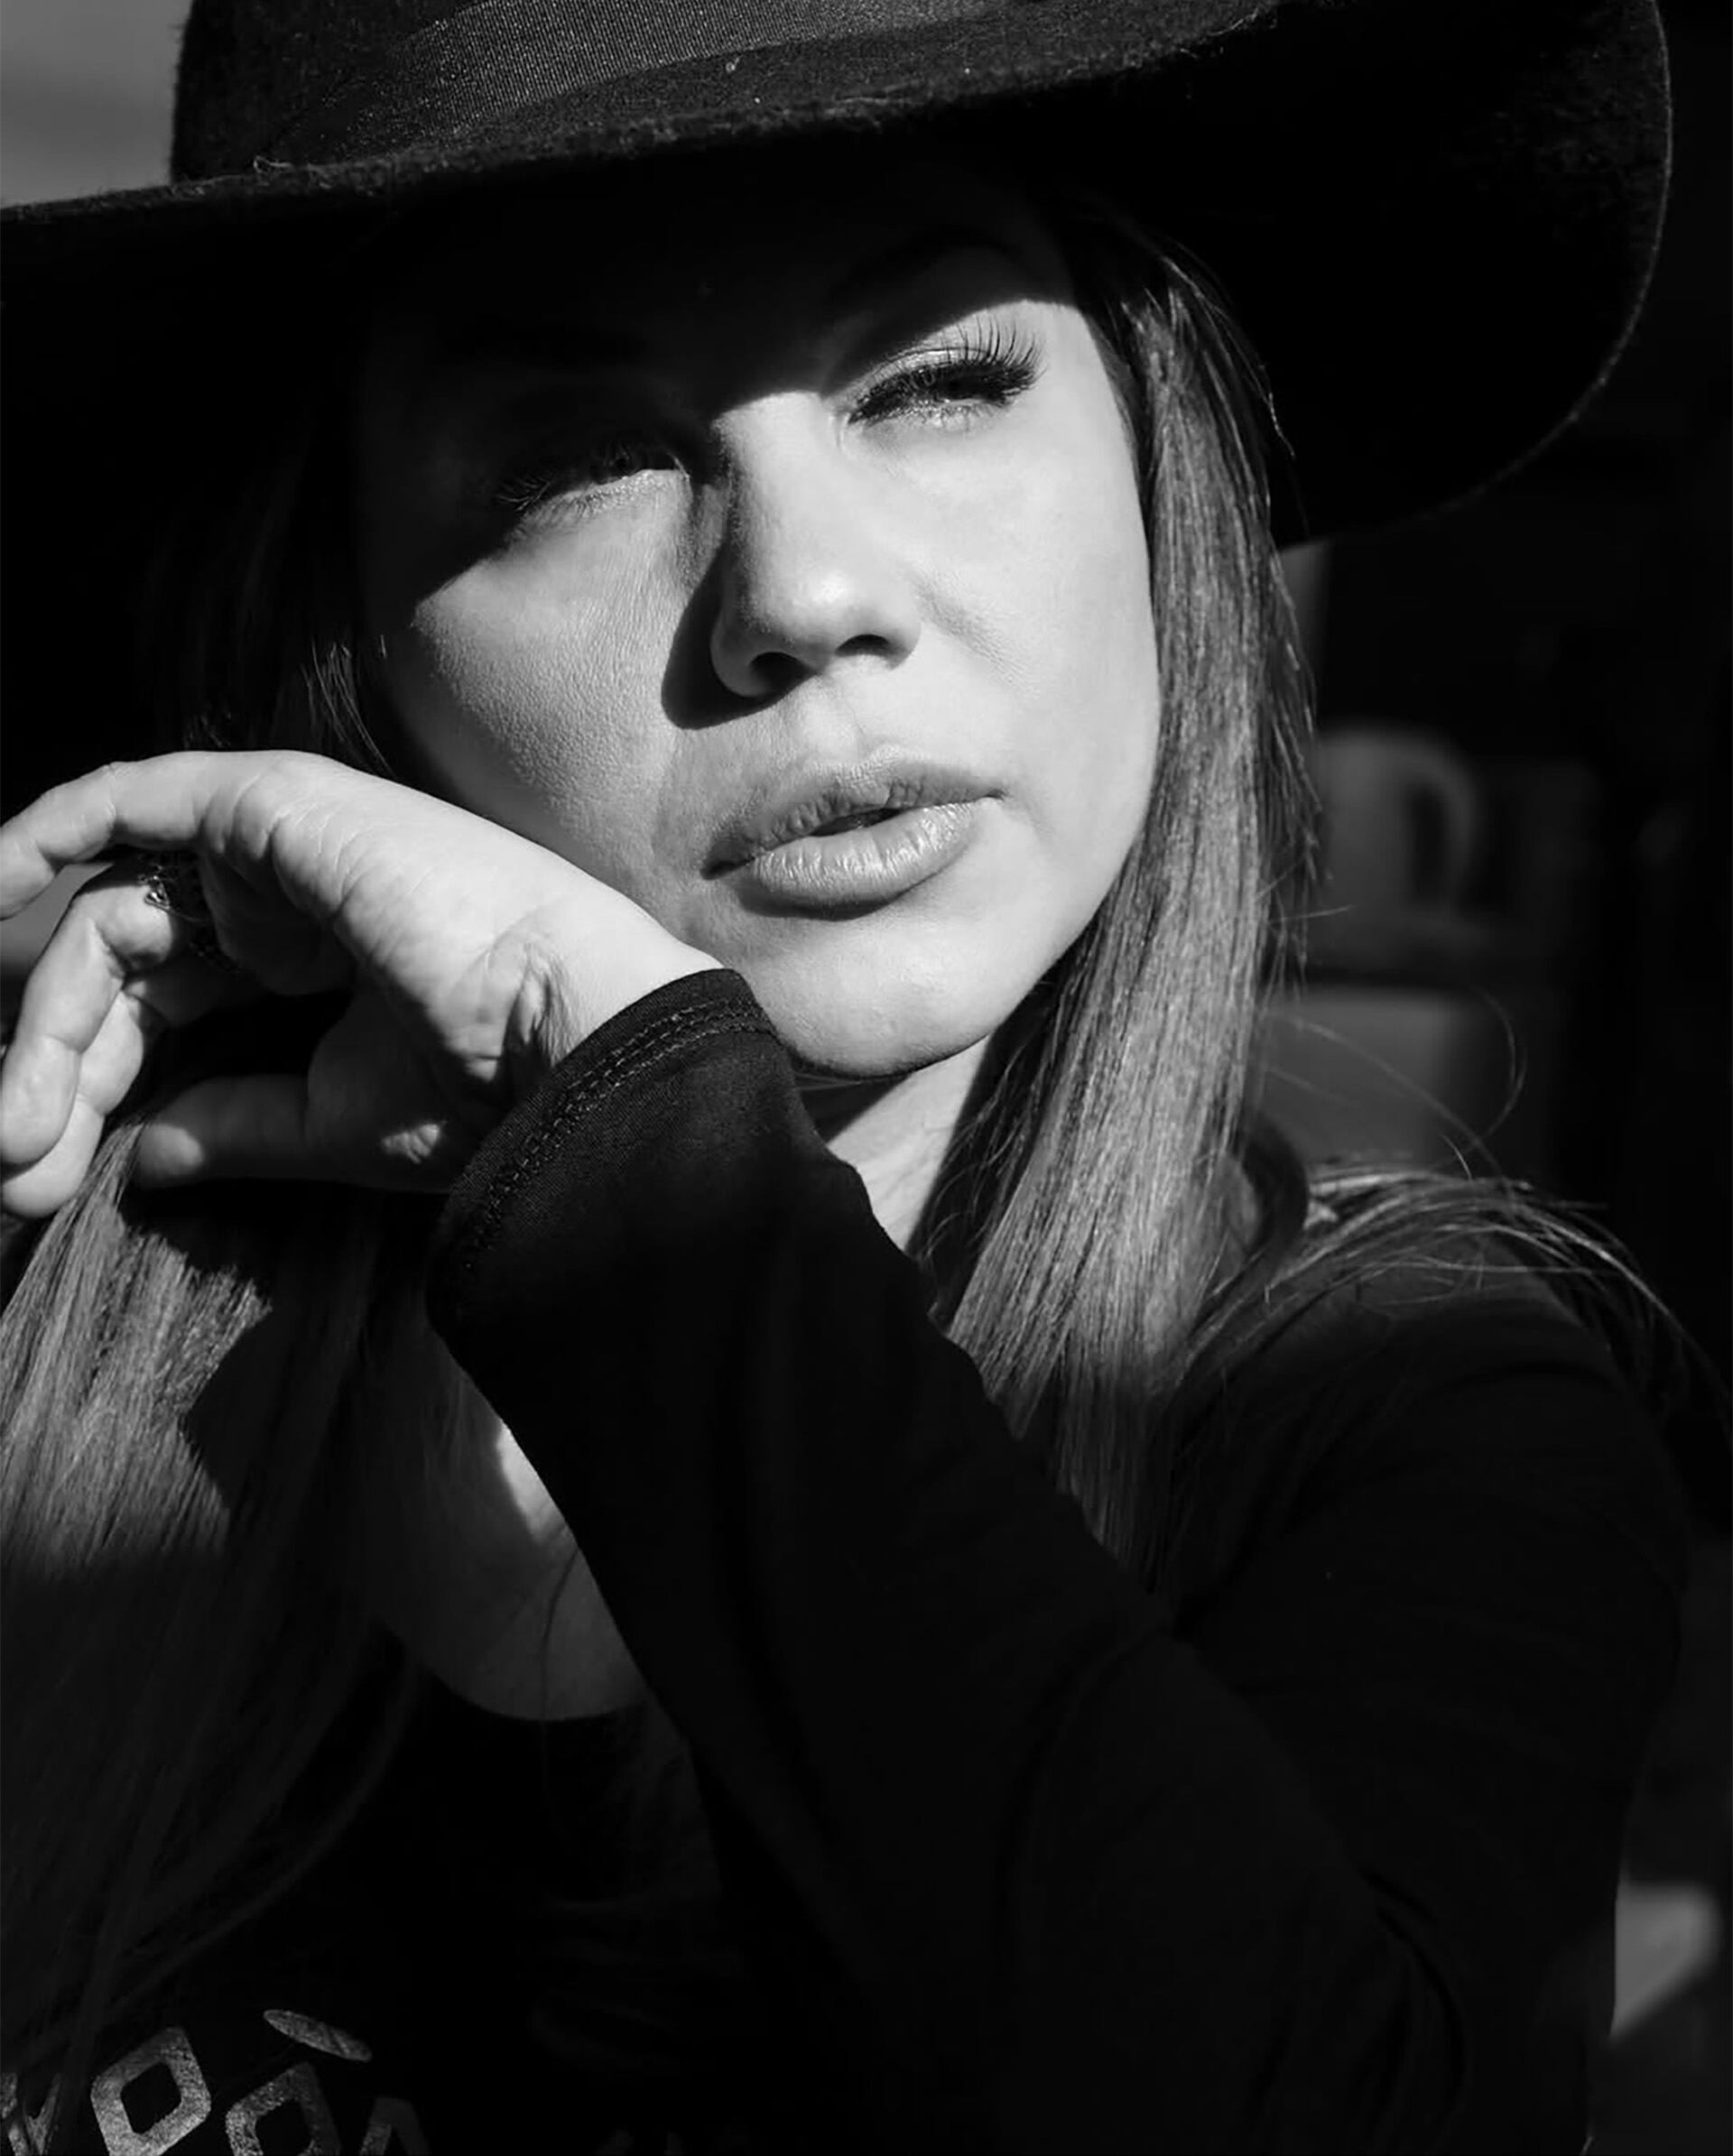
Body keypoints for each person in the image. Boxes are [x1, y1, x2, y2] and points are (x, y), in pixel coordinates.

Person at [0, 2, 1696, 2150]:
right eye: (573, 462)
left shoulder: (1404, 1423)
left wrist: (633, 1143)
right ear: (339, 621)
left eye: (939, 380)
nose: (802, 596)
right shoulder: (43, 1298)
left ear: (1161, 471)